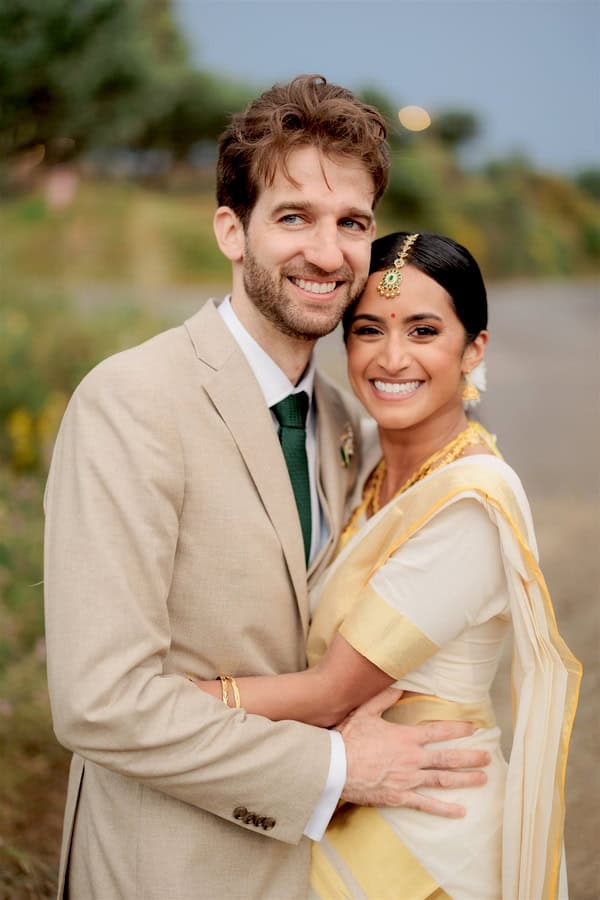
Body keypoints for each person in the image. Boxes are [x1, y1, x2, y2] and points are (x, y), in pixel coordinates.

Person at [44, 78, 491, 900]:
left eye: (352, 223)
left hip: (314, 872)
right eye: (294, 217)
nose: (328, 253)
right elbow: (100, 703)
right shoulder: (132, 402)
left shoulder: (346, 425)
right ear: (231, 230)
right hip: (166, 870)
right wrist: (334, 767)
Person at [189, 231, 582, 899]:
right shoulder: (364, 455)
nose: (392, 358)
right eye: (369, 330)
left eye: (424, 331)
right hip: (348, 794)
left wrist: (173, 705)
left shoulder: (469, 504)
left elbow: (332, 691)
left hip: (427, 833)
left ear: (474, 348)